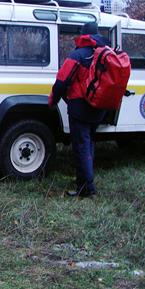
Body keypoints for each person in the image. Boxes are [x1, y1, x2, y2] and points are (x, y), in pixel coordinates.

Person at [48, 22, 110, 197]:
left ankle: (88, 189)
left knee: (81, 146)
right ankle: (83, 185)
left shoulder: (78, 55)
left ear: (83, 35)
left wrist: (53, 100)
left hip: (79, 108)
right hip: (98, 108)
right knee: (88, 144)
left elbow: (62, 80)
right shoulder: (105, 54)